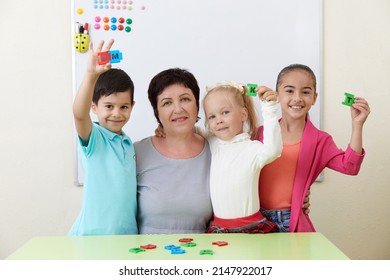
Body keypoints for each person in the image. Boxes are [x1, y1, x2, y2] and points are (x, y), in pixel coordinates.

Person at [257, 64, 371, 232]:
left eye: (305, 92)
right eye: (289, 91)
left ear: (314, 98)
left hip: (291, 220)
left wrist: (357, 125)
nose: (297, 98)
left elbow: (350, 167)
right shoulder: (260, 133)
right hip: (257, 218)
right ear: (277, 95)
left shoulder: (320, 140)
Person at [69, 39, 138, 235]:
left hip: (126, 237)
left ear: (132, 106)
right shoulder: (94, 137)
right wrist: (91, 77)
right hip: (93, 237)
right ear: (94, 107)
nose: (116, 113)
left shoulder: (128, 144)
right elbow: (78, 114)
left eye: (123, 107)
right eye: (109, 106)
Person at [134, 68, 213, 234]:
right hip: (146, 256)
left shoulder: (216, 152)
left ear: (197, 105)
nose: (178, 109)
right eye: (167, 103)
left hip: (199, 256)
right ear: (157, 111)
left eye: (185, 99)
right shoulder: (136, 153)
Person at [202, 81, 282, 233]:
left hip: (251, 227)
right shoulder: (212, 144)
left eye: (225, 112)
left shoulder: (252, 148)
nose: (218, 120)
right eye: (212, 116)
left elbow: (274, 150)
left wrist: (269, 109)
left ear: (243, 114)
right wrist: (164, 129)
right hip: (219, 229)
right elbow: (187, 134)